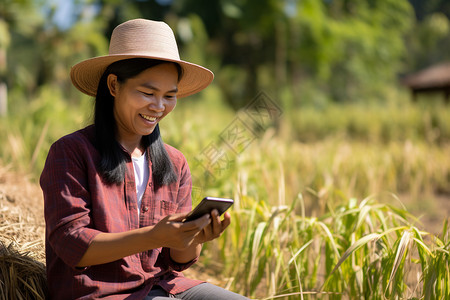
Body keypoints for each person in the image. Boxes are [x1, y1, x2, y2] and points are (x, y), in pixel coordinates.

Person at [40, 19, 249, 300]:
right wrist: (155, 235)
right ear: (114, 85)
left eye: (169, 96)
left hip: (164, 287)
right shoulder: (71, 152)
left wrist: (191, 238)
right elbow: (72, 244)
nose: (159, 107)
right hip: (102, 294)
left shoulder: (175, 163)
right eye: (148, 93)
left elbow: (179, 259)